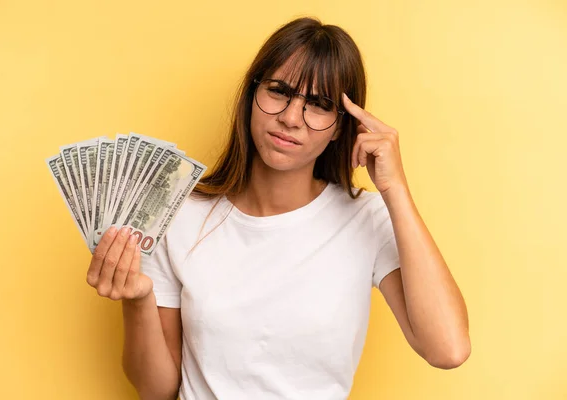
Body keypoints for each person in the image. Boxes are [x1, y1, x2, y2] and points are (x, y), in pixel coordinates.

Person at [86, 16, 471, 400]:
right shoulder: (180, 215)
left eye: (318, 105)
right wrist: (138, 302)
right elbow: (157, 391)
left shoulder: (366, 218)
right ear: (252, 94)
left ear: (342, 125)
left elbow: (448, 349)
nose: (290, 118)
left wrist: (395, 188)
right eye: (279, 91)